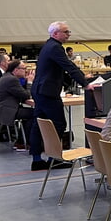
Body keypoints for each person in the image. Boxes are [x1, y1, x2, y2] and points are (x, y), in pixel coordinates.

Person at [30, 22, 90, 170]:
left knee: (38, 124)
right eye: (66, 32)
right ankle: (54, 159)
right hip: (48, 92)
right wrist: (85, 83)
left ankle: (37, 159)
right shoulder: (55, 47)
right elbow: (69, 66)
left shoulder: (48, 45)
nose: (69, 34)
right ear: (55, 33)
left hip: (39, 90)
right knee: (58, 124)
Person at [0, 59, 35, 149]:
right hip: (4, 111)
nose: (26, 71)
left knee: (29, 112)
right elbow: (26, 95)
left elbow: (20, 92)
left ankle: (24, 140)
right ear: (16, 70)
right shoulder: (12, 80)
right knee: (35, 113)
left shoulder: (7, 77)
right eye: (24, 68)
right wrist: (30, 82)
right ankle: (22, 143)